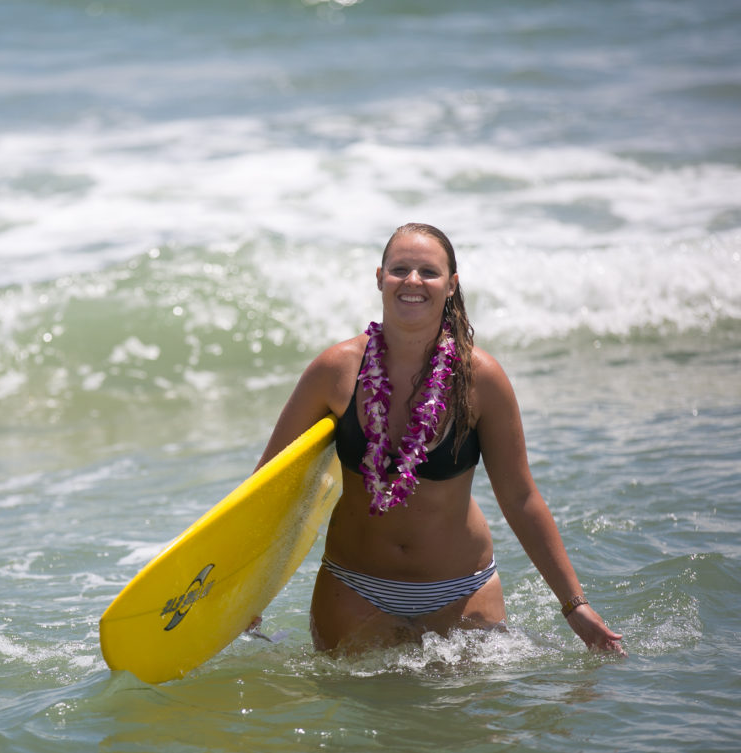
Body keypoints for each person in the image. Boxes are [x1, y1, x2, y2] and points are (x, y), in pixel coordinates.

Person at [255, 223, 625, 655]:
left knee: (461, 719)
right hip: (353, 588)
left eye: (428, 272)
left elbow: (520, 497)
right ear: (380, 278)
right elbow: (268, 487)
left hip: (462, 592)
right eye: (400, 269)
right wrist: (242, 595)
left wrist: (573, 605)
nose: (412, 281)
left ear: (451, 285)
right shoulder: (335, 371)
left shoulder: (480, 379)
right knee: (360, 717)